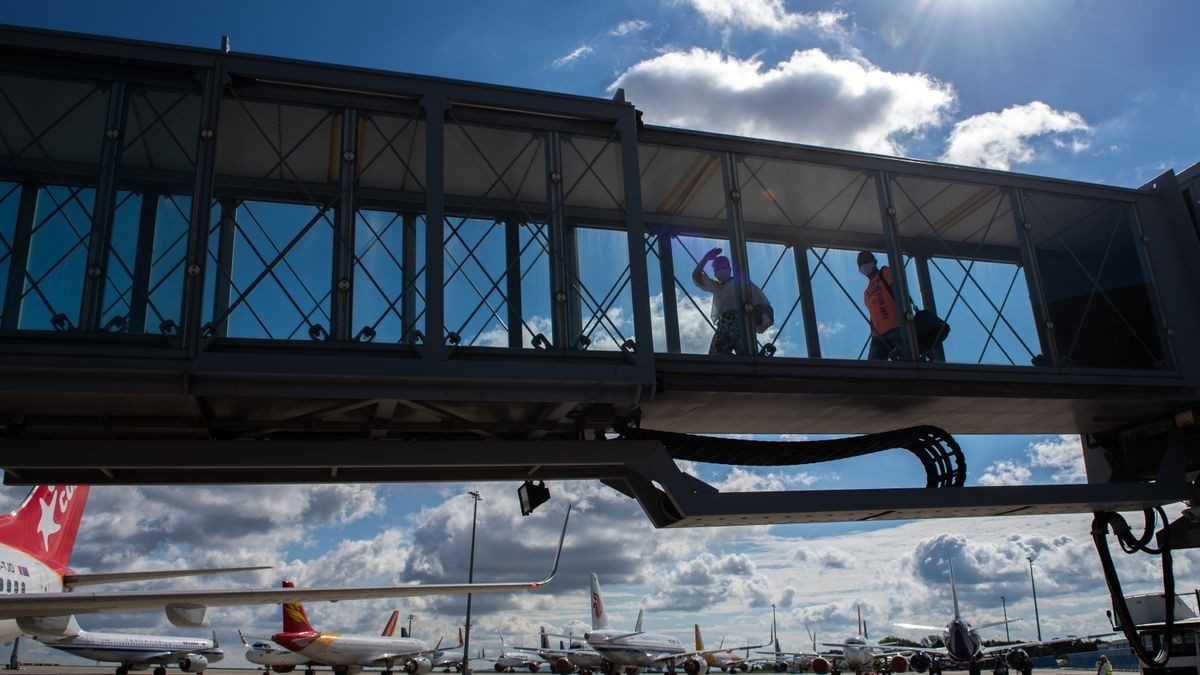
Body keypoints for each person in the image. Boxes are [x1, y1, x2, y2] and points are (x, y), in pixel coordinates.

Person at [693, 247, 771, 355]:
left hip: (739, 323)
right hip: (729, 325)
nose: (719, 270)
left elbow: (758, 302)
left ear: (729, 269)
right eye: (716, 268)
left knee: (724, 358)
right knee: (725, 359)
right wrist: (705, 258)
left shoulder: (741, 283)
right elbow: (696, 276)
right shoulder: (717, 287)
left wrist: (760, 317)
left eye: (722, 267)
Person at [857, 250, 902, 360]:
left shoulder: (885, 272)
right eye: (860, 263)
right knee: (873, 371)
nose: (863, 264)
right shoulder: (866, 293)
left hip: (896, 327)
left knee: (908, 362)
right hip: (877, 335)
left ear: (875, 261)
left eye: (866, 261)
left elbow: (900, 292)